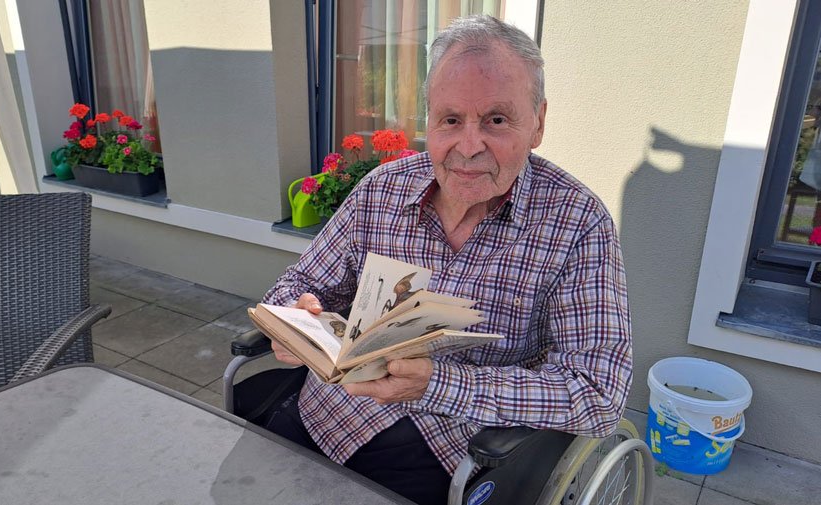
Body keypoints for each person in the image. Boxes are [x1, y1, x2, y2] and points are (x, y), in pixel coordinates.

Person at [260, 14, 632, 505]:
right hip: (322, 414)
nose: (469, 146)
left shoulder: (577, 222)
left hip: (449, 454)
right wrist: (292, 318)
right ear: (429, 120)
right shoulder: (382, 190)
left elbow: (598, 394)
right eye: (451, 120)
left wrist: (438, 383)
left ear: (538, 123)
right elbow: (300, 283)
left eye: (496, 120)